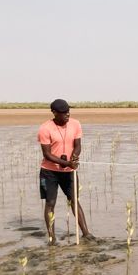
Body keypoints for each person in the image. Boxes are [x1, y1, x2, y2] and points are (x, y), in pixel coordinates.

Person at [38, 99, 93, 244]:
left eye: (68, 111)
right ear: (54, 113)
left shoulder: (76, 124)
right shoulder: (45, 128)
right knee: (50, 203)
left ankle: (86, 233)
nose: (67, 114)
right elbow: (47, 155)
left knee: (74, 200)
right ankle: (52, 238)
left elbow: (78, 145)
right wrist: (66, 163)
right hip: (49, 172)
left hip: (69, 171)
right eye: (63, 112)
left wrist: (75, 157)